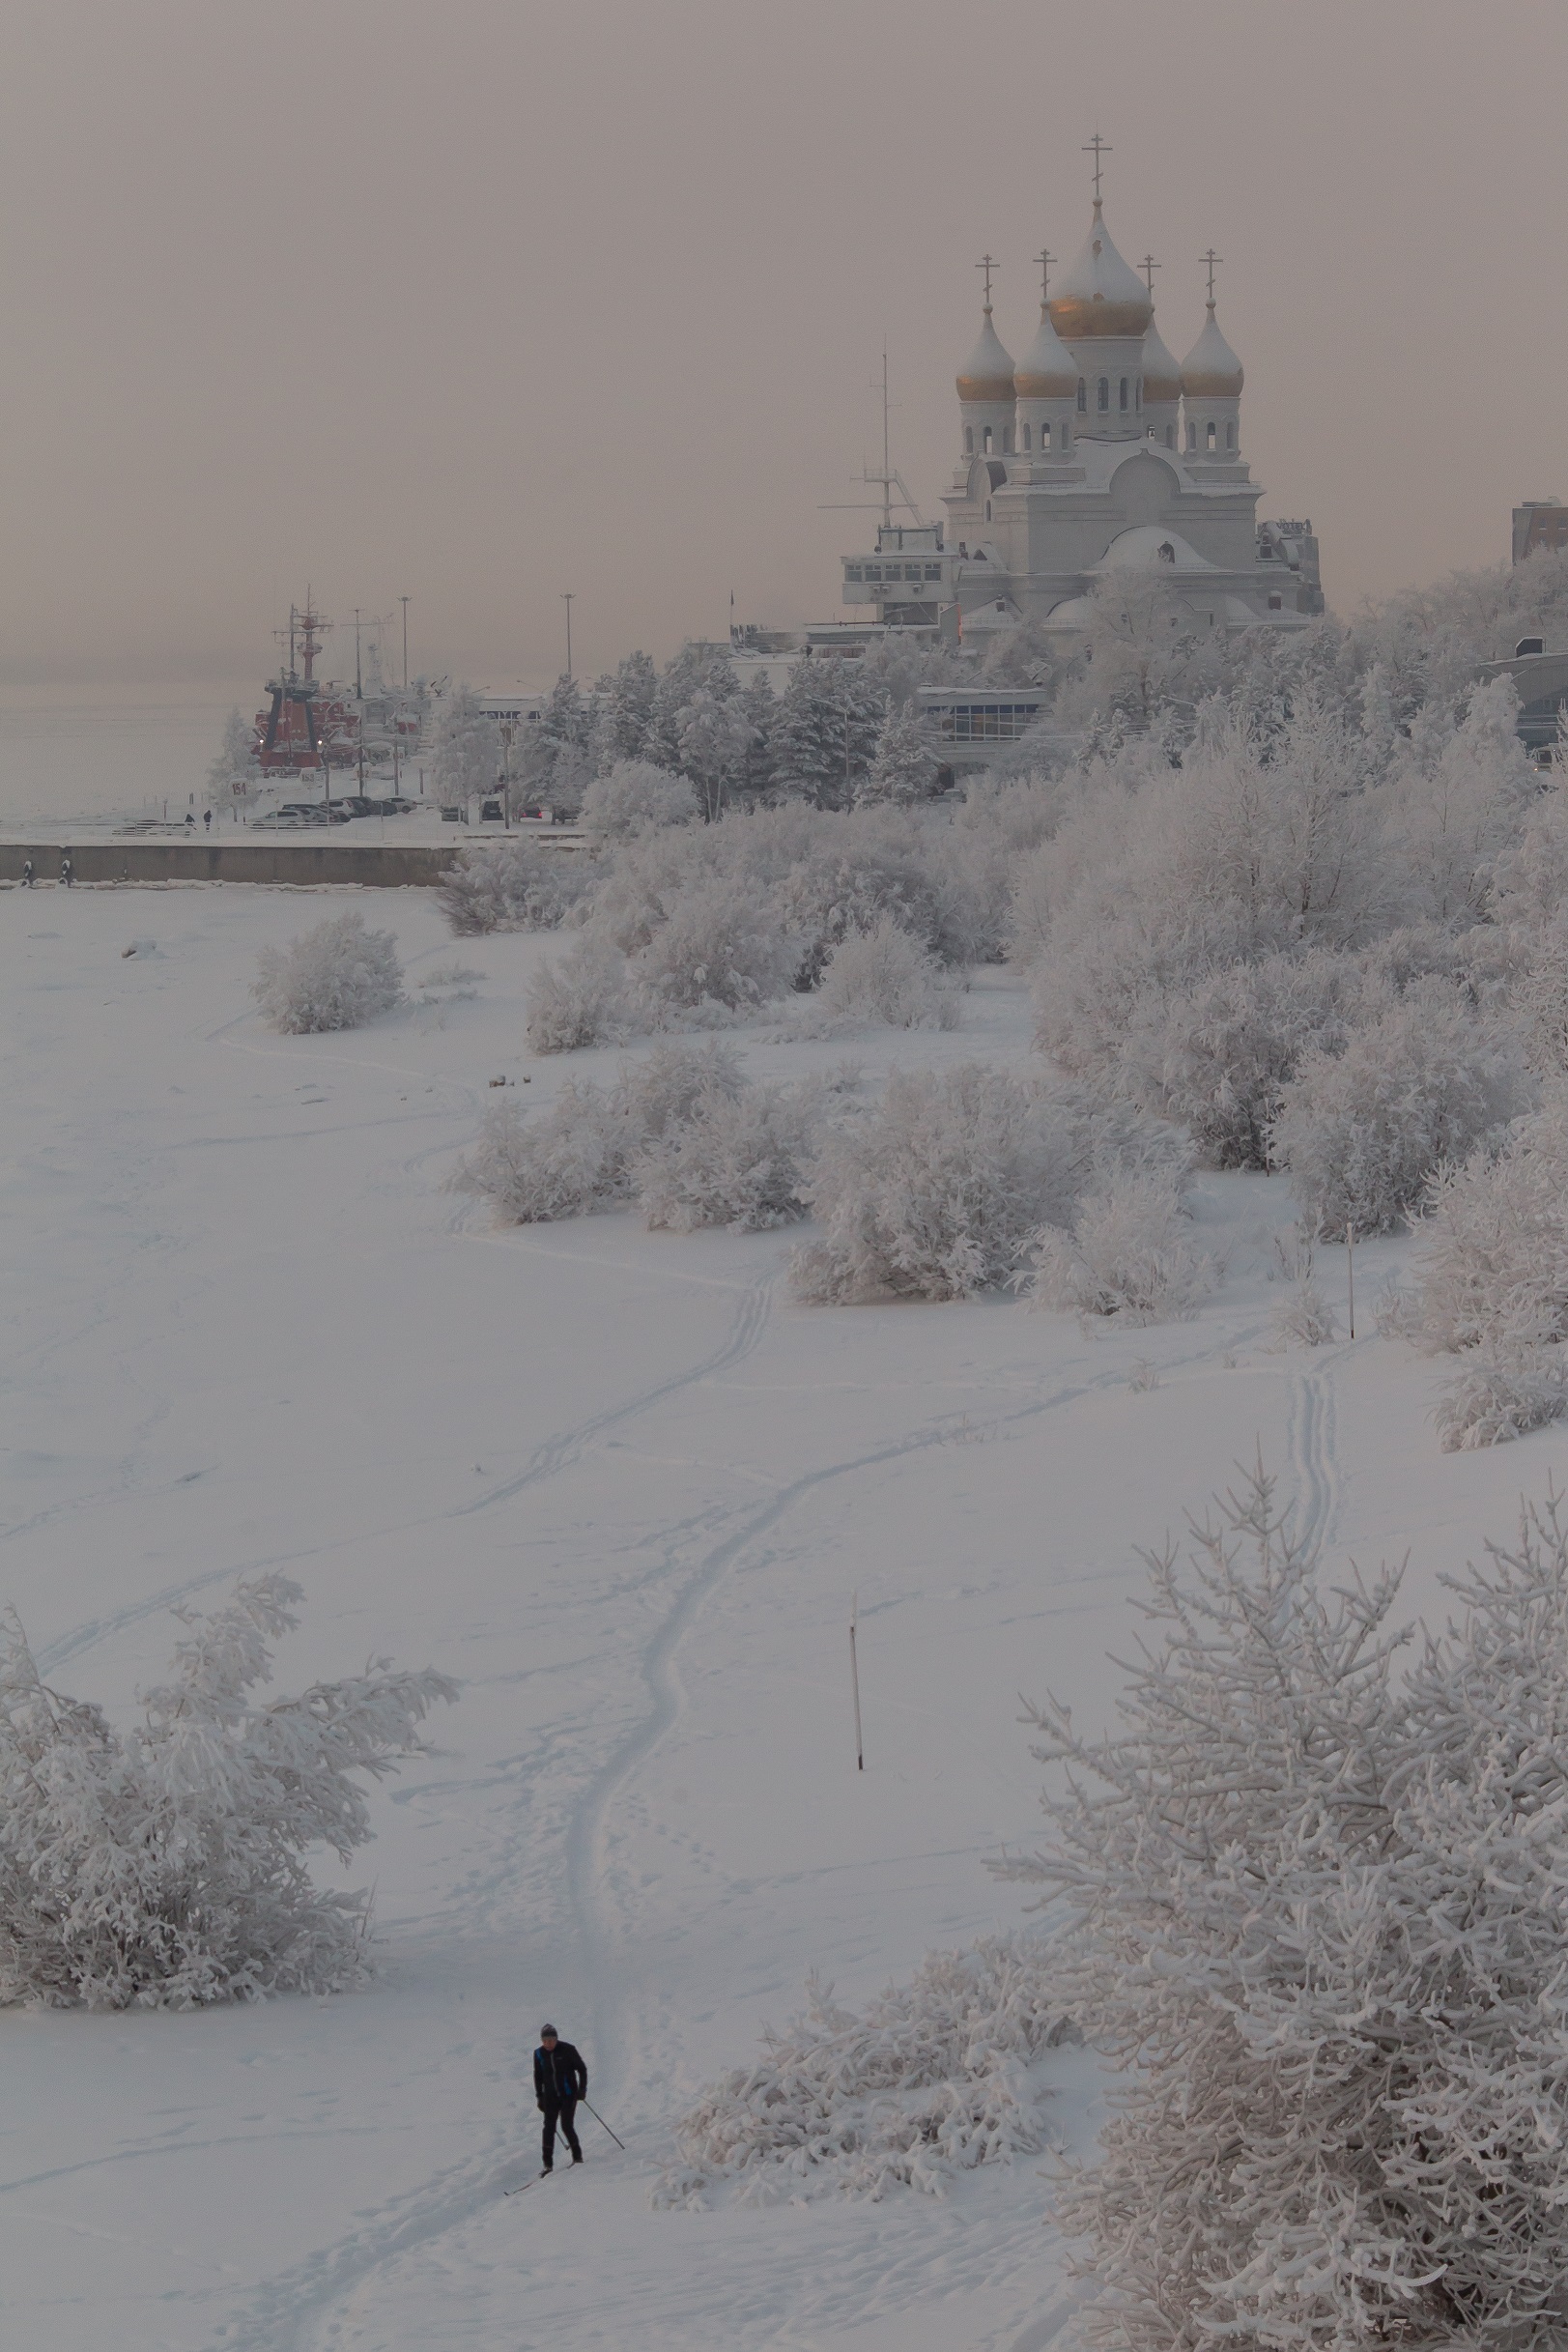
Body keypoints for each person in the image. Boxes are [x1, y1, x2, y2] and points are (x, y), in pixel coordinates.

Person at [533, 2023, 586, 2172]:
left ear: (556, 2038)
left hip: (568, 2095)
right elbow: (538, 2076)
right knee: (548, 2128)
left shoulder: (568, 2049)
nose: (548, 2043)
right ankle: (547, 2165)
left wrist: (582, 2089)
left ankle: (577, 2156)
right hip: (550, 2097)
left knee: (566, 2125)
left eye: (551, 2039)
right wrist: (539, 2097)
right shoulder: (538, 2054)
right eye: (544, 2040)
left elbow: (582, 2069)